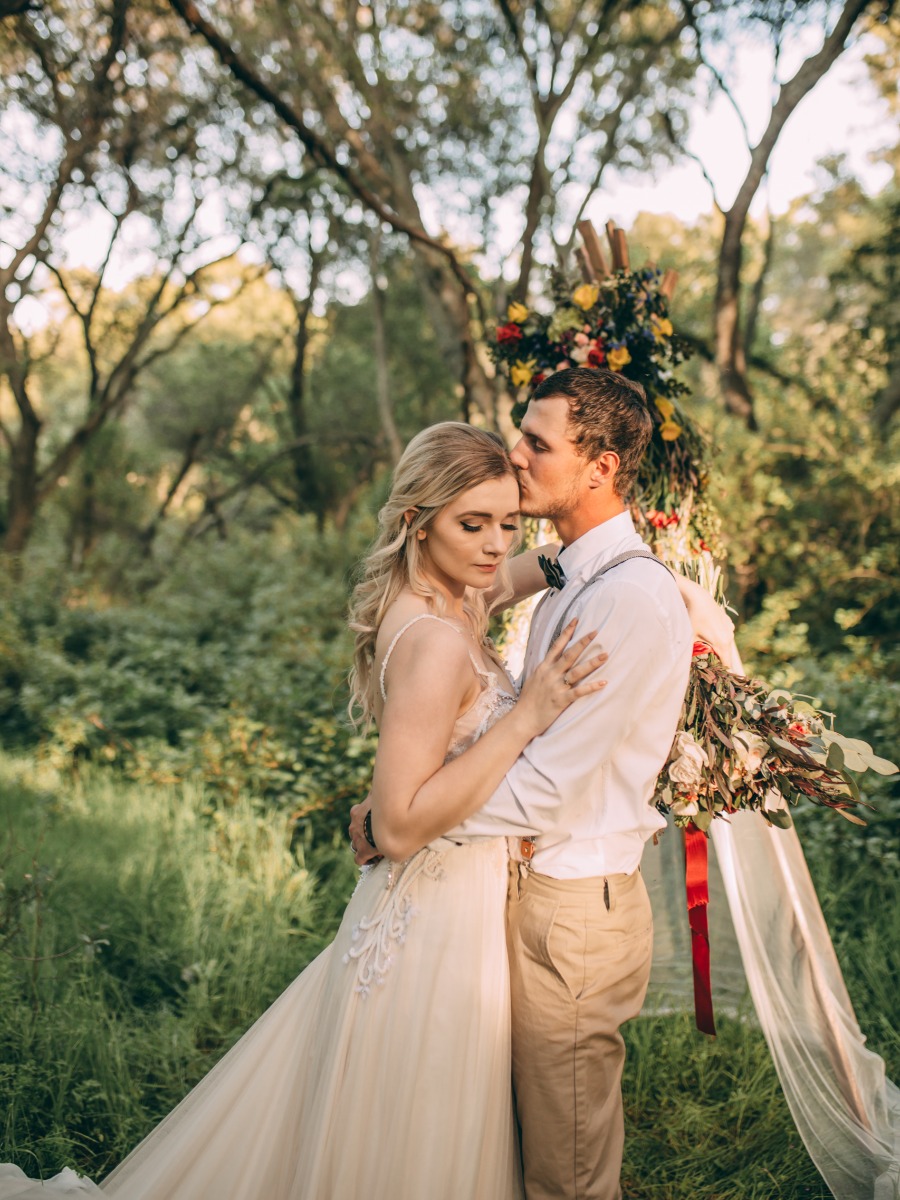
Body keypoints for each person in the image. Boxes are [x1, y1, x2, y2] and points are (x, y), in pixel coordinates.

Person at [0, 421, 607, 1200]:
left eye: (506, 524)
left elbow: (515, 575)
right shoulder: (435, 642)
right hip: (433, 921)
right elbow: (394, 825)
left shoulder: (442, 594)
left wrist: (598, 548)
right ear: (420, 521)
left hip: (438, 903)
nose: (495, 546)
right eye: (473, 524)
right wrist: (528, 716)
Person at [352, 367, 700, 1200]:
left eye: (538, 443)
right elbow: (471, 591)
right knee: (509, 1144)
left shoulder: (625, 600)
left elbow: (547, 791)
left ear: (601, 466)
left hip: (574, 911)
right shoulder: (566, 577)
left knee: (566, 1173)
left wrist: (401, 814)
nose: (517, 453)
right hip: (516, 895)